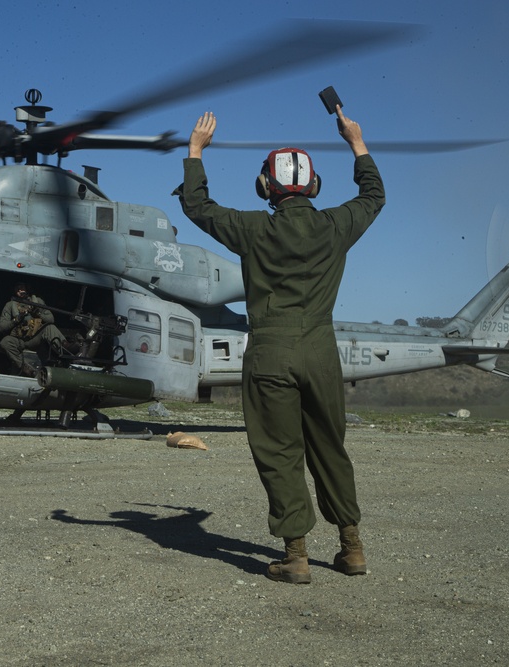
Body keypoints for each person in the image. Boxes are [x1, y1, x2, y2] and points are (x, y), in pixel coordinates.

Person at [174, 106, 385, 584]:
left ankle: (297, 556)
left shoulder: (253, 229)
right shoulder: (336, 226)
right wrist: (356, 141)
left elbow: (198, 207)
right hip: (321, 351)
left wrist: (195, 151)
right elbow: (374, 196)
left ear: (265, 187)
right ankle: (351, 547)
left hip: (270, 353)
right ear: (313, 187)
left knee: (280, 451)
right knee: (330, 446)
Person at [0, 282, 67, 376]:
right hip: (20, 340)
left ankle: (65, 347)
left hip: (36, 338)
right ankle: (25, 367)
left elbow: (51, 319)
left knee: (50, 327)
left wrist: (37, 313)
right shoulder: (10, 305)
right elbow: (2, 327)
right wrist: (16, 320)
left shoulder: (38, 302)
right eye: (17, 289)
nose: (20, 290)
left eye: (22, 287)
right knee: (5, 342)